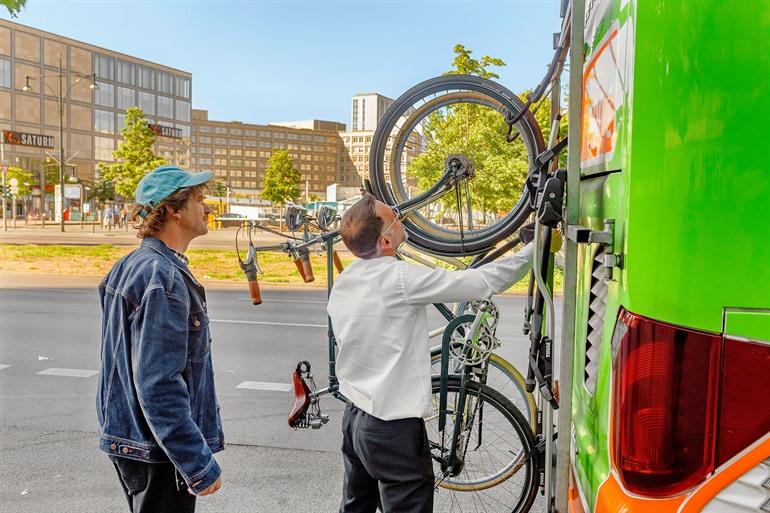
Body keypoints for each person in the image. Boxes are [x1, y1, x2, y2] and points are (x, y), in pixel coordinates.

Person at [327, 194, 560, 513]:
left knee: (355, 507)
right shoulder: (399, 278)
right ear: (386, 241)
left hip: (355, 421)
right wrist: (535, 250)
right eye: (393, 217)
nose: (400, 217)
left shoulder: (346, 281)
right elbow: (482, 281)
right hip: (392, 429)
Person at [97, 165, 223, 513]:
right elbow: (159, 383)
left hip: (135, 439)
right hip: (158, 450)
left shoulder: (131, 265)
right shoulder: (163, 278)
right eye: (198, 199)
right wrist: (196, 461)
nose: (207, 207)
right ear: (173, 210)